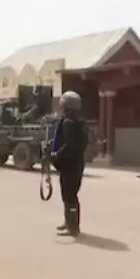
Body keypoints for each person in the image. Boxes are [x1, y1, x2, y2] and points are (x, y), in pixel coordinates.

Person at [50, 91, 89, 237]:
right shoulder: (79, 121)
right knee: (69, 195)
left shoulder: (69, 123)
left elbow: (69, 145)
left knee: (70, 196)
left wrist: (56, 155)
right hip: (76, 163)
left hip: (70, 164)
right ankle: (69, 223)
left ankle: (73, 227)